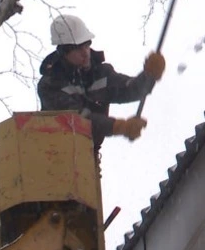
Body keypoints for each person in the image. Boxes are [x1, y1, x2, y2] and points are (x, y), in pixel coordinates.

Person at [37, 14, 166, 154]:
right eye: (78, 48)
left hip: (86, 155)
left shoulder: (101, 73)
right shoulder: (50, 85)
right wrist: (119, 127)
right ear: (64, 52)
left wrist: (149, 76)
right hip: (52, 156)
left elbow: (130, 89)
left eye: (87, 45)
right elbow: (78, 120)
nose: (85, 53)